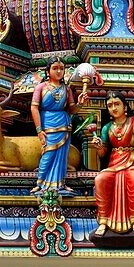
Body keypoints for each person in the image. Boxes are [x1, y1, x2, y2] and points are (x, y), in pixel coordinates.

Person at [90, 92, 134, 238]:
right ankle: (103, 221)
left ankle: (133, 221)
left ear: (124, 105)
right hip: (113, 164)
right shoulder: (107, 128)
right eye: (110, 105)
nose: (113, 108)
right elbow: (103, 154)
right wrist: (99, 147)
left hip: (132, 163)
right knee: (100, 179)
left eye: (117, 104)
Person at [30, 60, 87, 195]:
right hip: (47, 124)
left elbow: (72, 109)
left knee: (62, 156)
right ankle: (40, 183)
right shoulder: (41, 87)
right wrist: (39, 130)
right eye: (55, 68)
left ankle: (60, 183)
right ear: (48, 71)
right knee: (47, 154)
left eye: (61, 68)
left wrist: (80, 103)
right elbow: (34, 107)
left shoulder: (66, 89)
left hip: (63, 124)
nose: (59, 71)